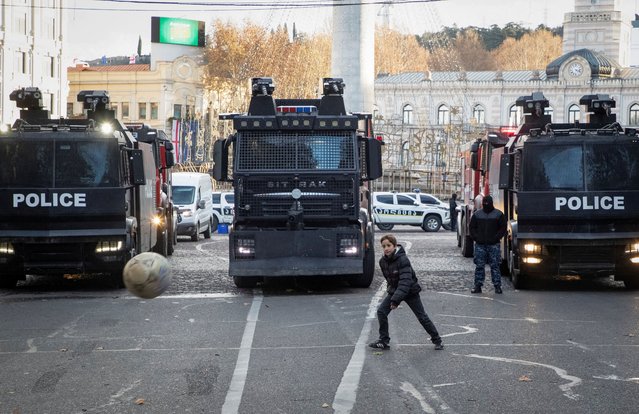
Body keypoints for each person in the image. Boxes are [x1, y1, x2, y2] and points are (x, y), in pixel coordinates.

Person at [369, 234, 444, 351]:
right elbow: (390, 280)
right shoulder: (382, 262)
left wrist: (395, 300)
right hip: (396, 291)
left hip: (410, 291)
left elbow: (405, 282)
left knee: (422, 317)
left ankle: (437, 340)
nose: (386, 248)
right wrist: (393, 295)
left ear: (394, 246)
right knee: (381, 312)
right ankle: (383, 340)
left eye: (388, 245)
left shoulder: (403, 260)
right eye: (383, 246)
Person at [469, 195, 507, 294]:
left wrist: (496, 238)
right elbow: (472, 228)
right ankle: (478, 285)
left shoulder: (498, 215)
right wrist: (477, 238)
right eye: (485, 203)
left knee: (495, 266)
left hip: (493, 244)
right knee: (479, 265)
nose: (486, 205)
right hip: (480, 244)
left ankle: (497, 286)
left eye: (487, 203)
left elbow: (503, 228)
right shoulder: (477, 215)